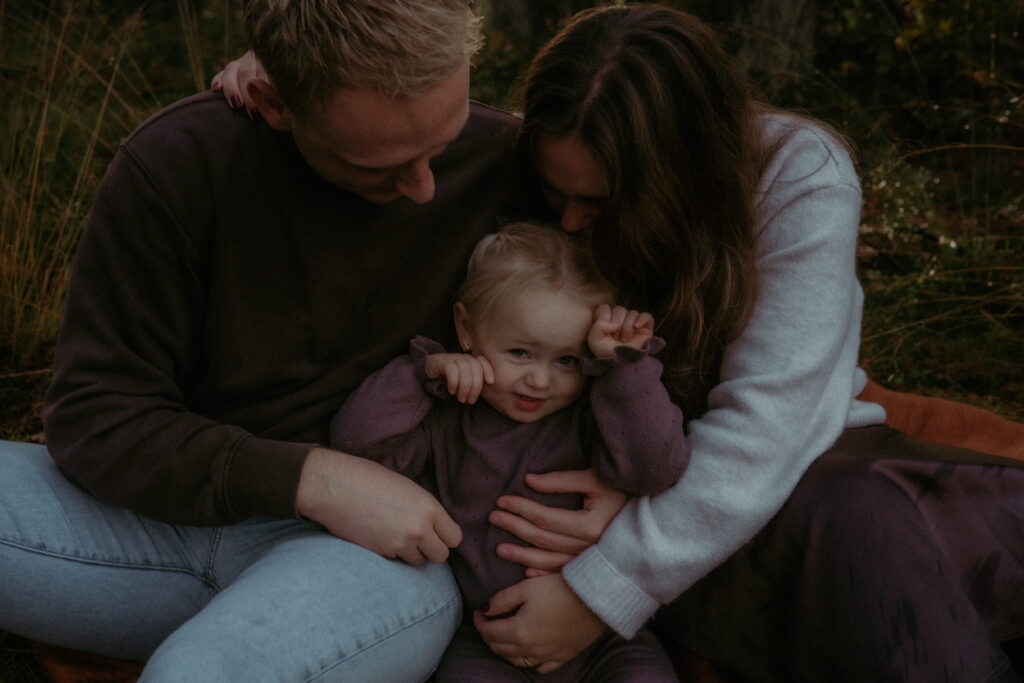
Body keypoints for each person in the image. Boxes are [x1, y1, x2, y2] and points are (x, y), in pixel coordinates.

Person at [210, 4, 1024, 681]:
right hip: (623, 492)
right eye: (555, 195)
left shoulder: (796, 175)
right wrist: (307, 77)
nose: (569, 223)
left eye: (597, 204)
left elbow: (773, 421)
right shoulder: (561, 156)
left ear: (681, 174)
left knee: (865, 518)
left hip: (761, 483)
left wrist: (608, 580)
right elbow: (410, 130)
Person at [0, 1, 536, 680]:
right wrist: (311, 477)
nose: (426, 188)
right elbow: (95, 415)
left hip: (379, 562)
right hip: (147, 528)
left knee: (201, 672)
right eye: (383, 167)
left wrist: (612, 562)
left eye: (442, 146)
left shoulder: (515, 164)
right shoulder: (178, 163)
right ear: (272, 100)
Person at [331, 221, 687, 681]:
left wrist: (625, 368)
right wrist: (421, 375)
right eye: (520, 352)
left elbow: (654, 470)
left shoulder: (599, 412)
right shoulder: (447, 418)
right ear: (466, 327)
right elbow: (358, 445)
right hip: (486, 641)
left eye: (567, 360)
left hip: (606, 640)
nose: (540, 380)